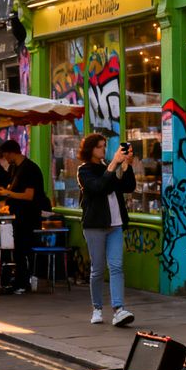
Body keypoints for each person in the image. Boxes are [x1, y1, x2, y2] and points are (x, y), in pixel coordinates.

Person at [77, 134, 135, 327]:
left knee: (116, 266)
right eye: (100, 146)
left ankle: (119, 309)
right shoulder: (84, 171)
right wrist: (114, 164)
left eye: (104, 146)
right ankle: (97, 308)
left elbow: (128, 186)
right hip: (95, 225)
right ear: (90, 149)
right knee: (98, 269)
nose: (103, 149)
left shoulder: (108, 168)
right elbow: (98, 187)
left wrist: (126, 166)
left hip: (115, 224)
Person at [0, 139, 44, 295]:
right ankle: (18, 281)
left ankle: (23, 283)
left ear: (11, 153)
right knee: (18, 251)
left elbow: (29, 195)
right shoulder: (14, 168)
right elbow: (12, 189)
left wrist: (8, 193)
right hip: (17, 216)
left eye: (5, 154)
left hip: (28, 217)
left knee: (23, 250)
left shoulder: (30, 169)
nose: (5, 158)